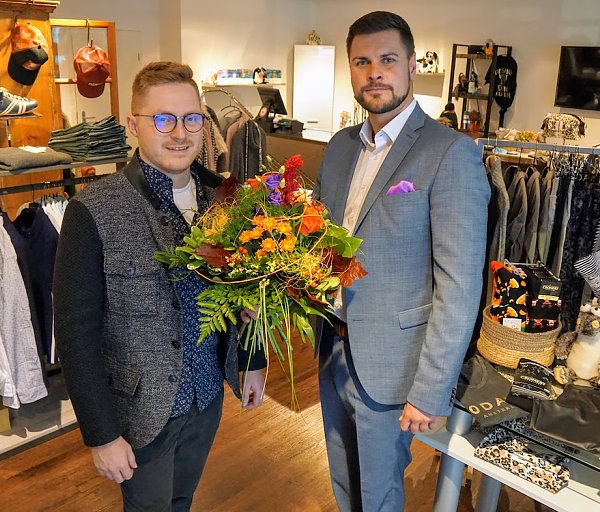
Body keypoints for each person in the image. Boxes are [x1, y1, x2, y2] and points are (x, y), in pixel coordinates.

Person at [53, 61, 266, 512]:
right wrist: (101, 434)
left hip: (206, 397)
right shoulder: (93, 210)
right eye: (163, 119)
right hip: (141, 412)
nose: (179, 133)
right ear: (134, 124)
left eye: (191, 118)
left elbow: (249, 294)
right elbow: (75, 333)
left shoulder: (227, 199)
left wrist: (253, 362)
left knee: (183, 499)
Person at [313, 11, 490, 511]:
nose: (375, 73)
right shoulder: (339, 148)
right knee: (344, 483)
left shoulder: (449, 152)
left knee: (382, 494)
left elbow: (458, 285)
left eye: (387, 60)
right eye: (362, 61)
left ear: (411, 66)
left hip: (394, 365)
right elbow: (324, 245)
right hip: (333, 350)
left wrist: (431, 389)